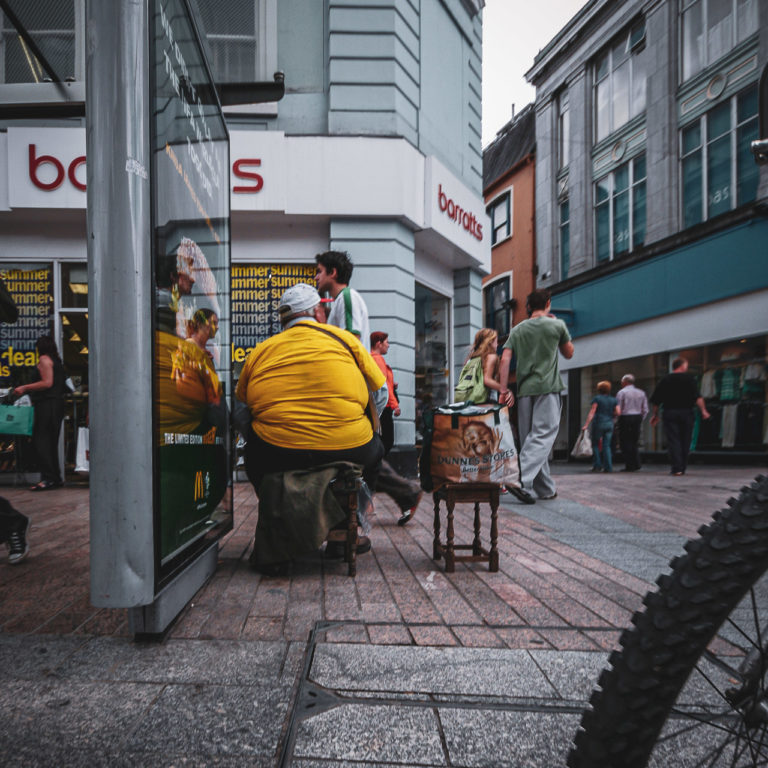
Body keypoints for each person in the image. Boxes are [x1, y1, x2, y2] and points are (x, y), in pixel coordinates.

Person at [236, 283, 387, 564]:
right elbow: (380, 394)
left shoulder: (261, 350)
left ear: (284, 319)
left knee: (252, 455)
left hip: (279, 451)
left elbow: (242, 410)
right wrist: (354, 423)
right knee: (377, 450)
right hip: (348, 446)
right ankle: (350, 527)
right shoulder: (345, 340)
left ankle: (279, 518)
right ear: (318, 311)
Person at [499, 289, 574, 503]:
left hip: (524, 390)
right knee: (542, 435)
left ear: (528, 306)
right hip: (547, 387)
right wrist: (559, 329)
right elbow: (569, 353)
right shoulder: (556, 325)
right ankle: (518, 477)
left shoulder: (518, 329)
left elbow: (505, 359)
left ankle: (545, 488)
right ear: (548, 303)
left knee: (531, 438)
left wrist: (503, 391)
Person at [370, 331, 423, 525]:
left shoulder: (376, 360)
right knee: (382, 448)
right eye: (387, 342)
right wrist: (394, 404)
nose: (389, 345)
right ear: (378, 343)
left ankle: (379, 484)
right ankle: (382, 485)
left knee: (380, 451)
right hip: (383, 409)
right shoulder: (376, 360)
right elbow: (383, 387)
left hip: (382, 409)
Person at [13, 335, 66, 491]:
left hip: (47, 404)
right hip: (56, 405)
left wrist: (24, 387)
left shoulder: (44, 360)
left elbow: (47, 382)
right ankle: (55, 478)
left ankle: (48, 478)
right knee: (50, 443)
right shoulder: (56, 361)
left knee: (41, 442)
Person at [650, 357, 710, 476]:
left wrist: (655, 415)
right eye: (686, 365)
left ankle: (676, 468)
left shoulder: (665, 379)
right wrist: (703, 410)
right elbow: (697, 397)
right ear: (682, 366)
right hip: (687, 412)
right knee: (686, 439)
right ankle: (682, 467)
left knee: (673, 440)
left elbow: (656, 400)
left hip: (670, 412)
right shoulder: (690, 379)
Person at [315, 250, 371, 349]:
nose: (316, 277)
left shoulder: (346, 297)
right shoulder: (342, 299)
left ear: (332, 272)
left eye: (319, 271)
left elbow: (351, 341)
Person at [454, 328, 502, 403]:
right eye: (496, 341)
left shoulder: (470, 359)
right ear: (490, 342)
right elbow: (487, 380)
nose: (497, 344)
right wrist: (505, 389)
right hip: (484, 401)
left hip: (466, 399)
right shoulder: (491, 357)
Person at [583, 381, 621, 473]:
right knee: (606, 445)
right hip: (609, 424)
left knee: (595, 444)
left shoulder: (597, 399)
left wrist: (586, 424)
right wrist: (610, 414)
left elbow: (592, 411)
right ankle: (608, 467)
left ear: (599, 389)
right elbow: (618, 412)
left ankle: (597, 465)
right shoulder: (613, 400)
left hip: (599, 423)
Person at [616, 374, 649, 471]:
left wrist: (617, 419)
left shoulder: (621, 392)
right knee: (634, 441)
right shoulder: (641, 392)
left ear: (625, 382)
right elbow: (645, 409)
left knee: (625, 442)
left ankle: (629, 465)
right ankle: (637, 463)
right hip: (637, 417)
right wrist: (640, 418)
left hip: (625, 417)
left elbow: (619, 408)